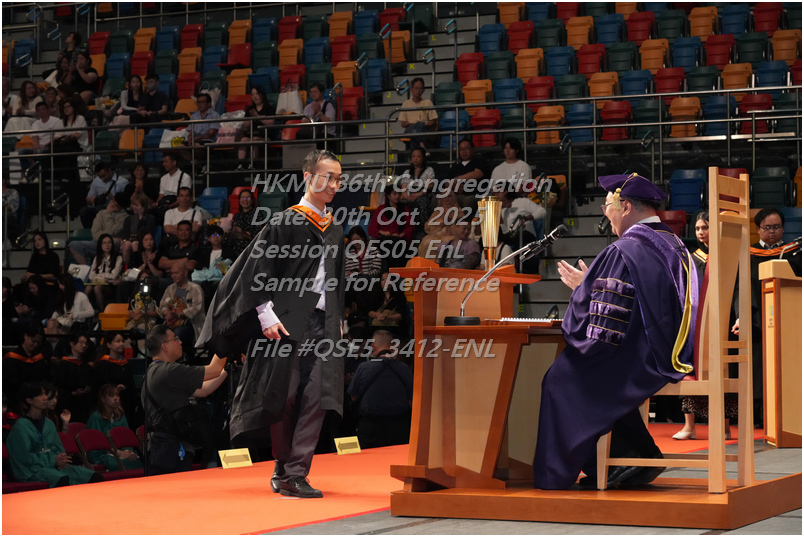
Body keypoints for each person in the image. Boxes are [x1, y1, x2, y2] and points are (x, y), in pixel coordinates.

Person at [533, 173, 698, 490]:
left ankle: (606, 463)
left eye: (607, 205)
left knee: (560, 378)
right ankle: (631, 457)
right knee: (583, 374)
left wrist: (583, 292)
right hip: (669, 347)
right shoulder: (673, 243)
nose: (605, 213)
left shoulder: (627, 249)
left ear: (625, 206)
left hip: (647, 355)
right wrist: (590, 288)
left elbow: (606, 326)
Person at [196, 149, 346, 498]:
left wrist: (338, 320)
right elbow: (256, 272)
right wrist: (265, 315)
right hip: (285, 323)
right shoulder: (285, 222)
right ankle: (283, 462)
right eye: (327, 177)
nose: (334, 185)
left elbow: (336, 280)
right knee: (284, 396)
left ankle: (295, 473)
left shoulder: (335, 229)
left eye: (339, 179)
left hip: (323, 323)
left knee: (318, 397)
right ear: (308, 177)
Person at [732, 208, 798, 427]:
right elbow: (741, 288)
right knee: (758, 366)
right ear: (758, 229)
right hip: (758, 319)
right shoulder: (748, 255)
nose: (772, 232)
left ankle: (788, 414)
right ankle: (758, 415)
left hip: (789, 319)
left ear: (783, 229)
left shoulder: (793, 253)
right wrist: (742, 316)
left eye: (777, 227)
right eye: (767, 227)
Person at [142, 324, 228, 475]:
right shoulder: (169, 371)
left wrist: (226, 368)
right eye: (175, 339)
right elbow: (213, 370)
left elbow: (204, 390)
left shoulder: (155, 371)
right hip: (169, 447)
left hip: (164, 445)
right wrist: (228, 341)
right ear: (164, 346)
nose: (180, 342)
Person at [6, 382, 102, 487]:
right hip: (31, 471)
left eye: (45, 394)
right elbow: (24, 458)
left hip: (53, 466)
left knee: (93, 476)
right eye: (40, 395)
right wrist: (53, 460)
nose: (45, 398)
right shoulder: (21, 427)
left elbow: (58, 448)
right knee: (62, 479)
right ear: (29, 400)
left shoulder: (48, 423)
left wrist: (61, 458)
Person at [347, 330, 413, 448]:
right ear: (392, 347)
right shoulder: (404, 368)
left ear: (373, 346)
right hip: (399, 428)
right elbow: (411, 400)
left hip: (370, 428)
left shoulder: (364, 367)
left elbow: (353, 396)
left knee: (369, 457)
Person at [86, 384, 142, 470]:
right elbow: (95, 444)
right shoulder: (96, 417)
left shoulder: (120, 416)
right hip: (102, 454)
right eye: (112, 396)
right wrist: (118, 453)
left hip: (121, 452)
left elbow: (126, 439)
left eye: (117, 395)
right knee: (120, 465)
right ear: (103, 399)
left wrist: (127, 451)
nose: (116, 398)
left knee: (137, 463)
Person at [160, 261, 206, 365]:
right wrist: (166, 312)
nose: (173, 276)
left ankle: (180, 357)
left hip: (192, 324)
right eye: (172, 273)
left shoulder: (196, 289)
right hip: (172, 323)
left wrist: (179, 314)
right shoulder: (170, 289)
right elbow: (162, 306)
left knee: (178, 333)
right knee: (159, 332)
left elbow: (196, 309)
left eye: (176, 273)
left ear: (185, 273)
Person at [69, 192, 129, 265]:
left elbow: (111, 230)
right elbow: (95, 233)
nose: (112, 204)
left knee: (114, 242)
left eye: (115, 204)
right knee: (74, 245)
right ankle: (87, 269)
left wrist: (108, 214)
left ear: (121, 206)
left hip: (113, 245)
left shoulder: (124, 217)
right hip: (98, 242)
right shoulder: (101, 213)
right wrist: (109, 238)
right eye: (112, 201)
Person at [93, 331, 139, 426]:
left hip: (126, 403)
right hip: (109, 405)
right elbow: (100, 385)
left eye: (122, 341)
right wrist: (114, 389)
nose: (121, 344)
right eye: (117, 341)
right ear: (109, 344)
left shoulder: (125, 363)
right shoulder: (103, 364)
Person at [367, 183, 415, 269]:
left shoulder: (404, 208)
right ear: (388, 196)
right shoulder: (381, 209)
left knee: (397, 245)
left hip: (399, 239)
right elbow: (371, 228)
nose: (397, 196)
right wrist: (382, 232)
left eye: (398, 194)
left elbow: (410, 227)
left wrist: (401, 234)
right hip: (384, 239)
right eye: (394, 194)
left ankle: (395, 271)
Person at [3, 323, 52, 405]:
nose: (35, 345)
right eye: (33, 341)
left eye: (38, 343)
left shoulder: (39, 358)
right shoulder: (12, 357)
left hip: (37, 398)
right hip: (16, 399)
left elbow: (44, 378)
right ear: (25, 336)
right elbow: (9, 384)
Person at [51, 332, 93, 424]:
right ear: (72, 344)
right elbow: (58, 387)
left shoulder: (86, 366)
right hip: (67, 406)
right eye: (81, 342)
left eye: (86, 343)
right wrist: (72, 393)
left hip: (83, 406)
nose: (84, 345)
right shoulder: (63, 365)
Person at [18, 101, 62, 183]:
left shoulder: (56, 121)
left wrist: (46, 145)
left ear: (48, 110)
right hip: (40, 147)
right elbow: (35, 137)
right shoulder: (35, 124)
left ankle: (38, 176)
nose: (41, 111)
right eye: (39, 110)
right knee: (23, 152)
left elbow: (56, 136)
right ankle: (28, 175)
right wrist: (36, 146)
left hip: (51, 146)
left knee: (42, 152)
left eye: (43, 109)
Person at [447, 138, 493, 212]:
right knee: (438, 199)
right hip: (458, 195)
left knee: (468, 201)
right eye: (461, 149)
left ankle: (466, 219)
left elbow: (478, 173)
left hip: (476, 194)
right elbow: (448, 181)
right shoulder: (456, 166)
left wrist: (458, 179)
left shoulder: (480, 161)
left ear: (473, 149)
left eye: (466, 148)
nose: (464, 151)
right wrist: (453, 185)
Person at [236, 85, 277, 168]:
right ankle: (241, 164)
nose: (254, 97)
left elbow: (271, 123)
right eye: (252, 94)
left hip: (264, 135)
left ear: (262, 95)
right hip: (251, 133)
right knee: (243, 140)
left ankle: (253, 163)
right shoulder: (250, 109)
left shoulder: (269, 108)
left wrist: (257, 116)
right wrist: (251, 117)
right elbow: (245, 125)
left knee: (254, 139)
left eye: (257, 94)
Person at [398, 147, 436, 237]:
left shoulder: (429, 170)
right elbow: (403, 188)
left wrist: (418, 195)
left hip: (423, 194)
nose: (416, 159)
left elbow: (429, 185)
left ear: (423, 158)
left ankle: (422, 229)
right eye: (413, 156)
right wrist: (407, 196)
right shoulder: (407, 172)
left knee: (421, 202)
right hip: (409, 195)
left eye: (418, 156)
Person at [80, 161, 129, 229]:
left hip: (115, 206)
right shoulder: (96, 181)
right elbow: (88, 198)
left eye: (104, 176)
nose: (102, 179)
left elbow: (126, 202)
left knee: (100, 210)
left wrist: (112, 197)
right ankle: (90, 231)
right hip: (100, 205)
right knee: (83, 211)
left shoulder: (122, 182)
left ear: (109, 170)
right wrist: (92, 200)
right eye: (100, 177)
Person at [52, 97, 89, 185]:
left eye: (68, 106)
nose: (66, 109)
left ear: (73, 108)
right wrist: (66, 137)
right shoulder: (61, 122)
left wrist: (66, 137)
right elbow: (56, 137)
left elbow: (77, 135)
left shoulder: (80, 119)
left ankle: (66, 177)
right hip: (64, 144)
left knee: (66, 150)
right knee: (52, 150)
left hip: (78, 144)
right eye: (64, 107)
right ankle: (54, 177)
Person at [85, 234, 123, 311]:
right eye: (104, 243)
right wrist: (102, 277)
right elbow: (91, 275)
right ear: (100, 245)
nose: (107, 245)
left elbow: (113, 275)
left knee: (97, 288)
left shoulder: (118, 258)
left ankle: (102, 312)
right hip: (98, 281)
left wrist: (99, 276)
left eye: (109, 243)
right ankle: (86, 312)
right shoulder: (97, 258)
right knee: (88, 288)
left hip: (110, 284)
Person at [398, 77, 438, 150]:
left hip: (424, 128)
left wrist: (424, 124)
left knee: (419, 126)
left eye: (420, 88)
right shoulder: (406, 104)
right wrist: (414, 124)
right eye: (416, 88)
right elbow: (403, 124)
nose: (418, 91)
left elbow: (433, 121)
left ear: (423, 90)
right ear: (411, 89)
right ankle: (421, 147)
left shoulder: (428, 103)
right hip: (410, 128)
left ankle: (415, 151)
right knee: (416, 129)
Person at [367, 272, 410, 336]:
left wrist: (387, 317)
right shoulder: (375, 295)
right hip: (377, 326)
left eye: (388, 279)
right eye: (382, 279)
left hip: (394, 326)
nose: (385, 282)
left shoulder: (399, 295)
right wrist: (377, 315)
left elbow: (401, 315)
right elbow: (370, 312)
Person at [120, 193, 157, 265]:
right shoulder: (128, 219)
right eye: (133, 205)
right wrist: (124, 241)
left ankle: (137, 265)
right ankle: (125, 267)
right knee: (127, 244)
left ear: (143, 206)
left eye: (136, 205)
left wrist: (141, 216)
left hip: (143, 240)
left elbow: (145, 232)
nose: (134, 207)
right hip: (130, 240)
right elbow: (125, 234)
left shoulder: (150, 218)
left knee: (135, 244)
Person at [181, 93, 220, 157]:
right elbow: (191, 132)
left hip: (208, 141)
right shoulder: (194, 116)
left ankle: (201, 161)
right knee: (180, 146)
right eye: (198, 102)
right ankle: (193, 161)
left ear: (209, 104)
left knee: (196, 146)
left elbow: (210, 134)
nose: (200, 104)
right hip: (195, 141)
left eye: (202, 102)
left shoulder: (215, 115)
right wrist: (190, 138)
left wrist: (197, 139)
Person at [226, 189, 261, 255]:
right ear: (239, 201)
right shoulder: (237, 215)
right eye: (243, 198)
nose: (245, 200)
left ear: (252, 201)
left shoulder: (257, 214)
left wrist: (242, 232)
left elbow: (257, 234)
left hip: (249, 243)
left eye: (248, 198)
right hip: (236, 241)